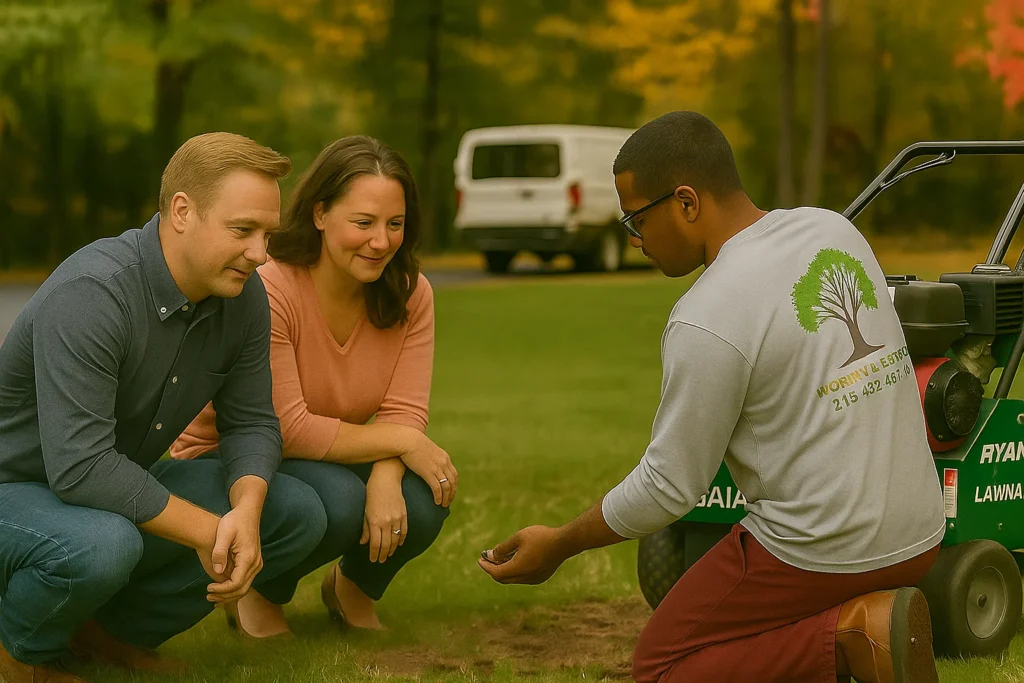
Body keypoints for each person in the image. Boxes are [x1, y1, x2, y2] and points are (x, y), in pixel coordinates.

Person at [478, 111, 945, 683]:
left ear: (687, 202)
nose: (633, 238)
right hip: (921, 534)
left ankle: (855, 631)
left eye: (636, 218)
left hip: (822, 549)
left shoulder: (707, 315)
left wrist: (559, 543)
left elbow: (669, 488)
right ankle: (868, 630)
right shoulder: (833, 230)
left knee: (661, 666)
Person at [0, 132, 329, 683]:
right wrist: (208, 530)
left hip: (106, 487)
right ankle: (19, 653)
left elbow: (251, 421)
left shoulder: (243, 295)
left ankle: (105, 634)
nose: (260, 254)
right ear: (182, 211)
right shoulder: (93, 292)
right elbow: (79, 467)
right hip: (17, 489)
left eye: (266, 234)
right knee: (104, 544)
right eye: (242, 230)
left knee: (290, 510)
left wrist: (244, 513)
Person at [172, 135, 455, 638]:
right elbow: (288, 427)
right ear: (321, 214)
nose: (381, 241)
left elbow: (403, 411)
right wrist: (404, 443)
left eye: (395, 224)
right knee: (343, 499)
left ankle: (353, 589)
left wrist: (388, 475)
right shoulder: (272, 287)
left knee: (426, 492)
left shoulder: (412, 293)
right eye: (363, 223)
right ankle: (261, 592)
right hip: (231, 457)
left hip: (318, 453)